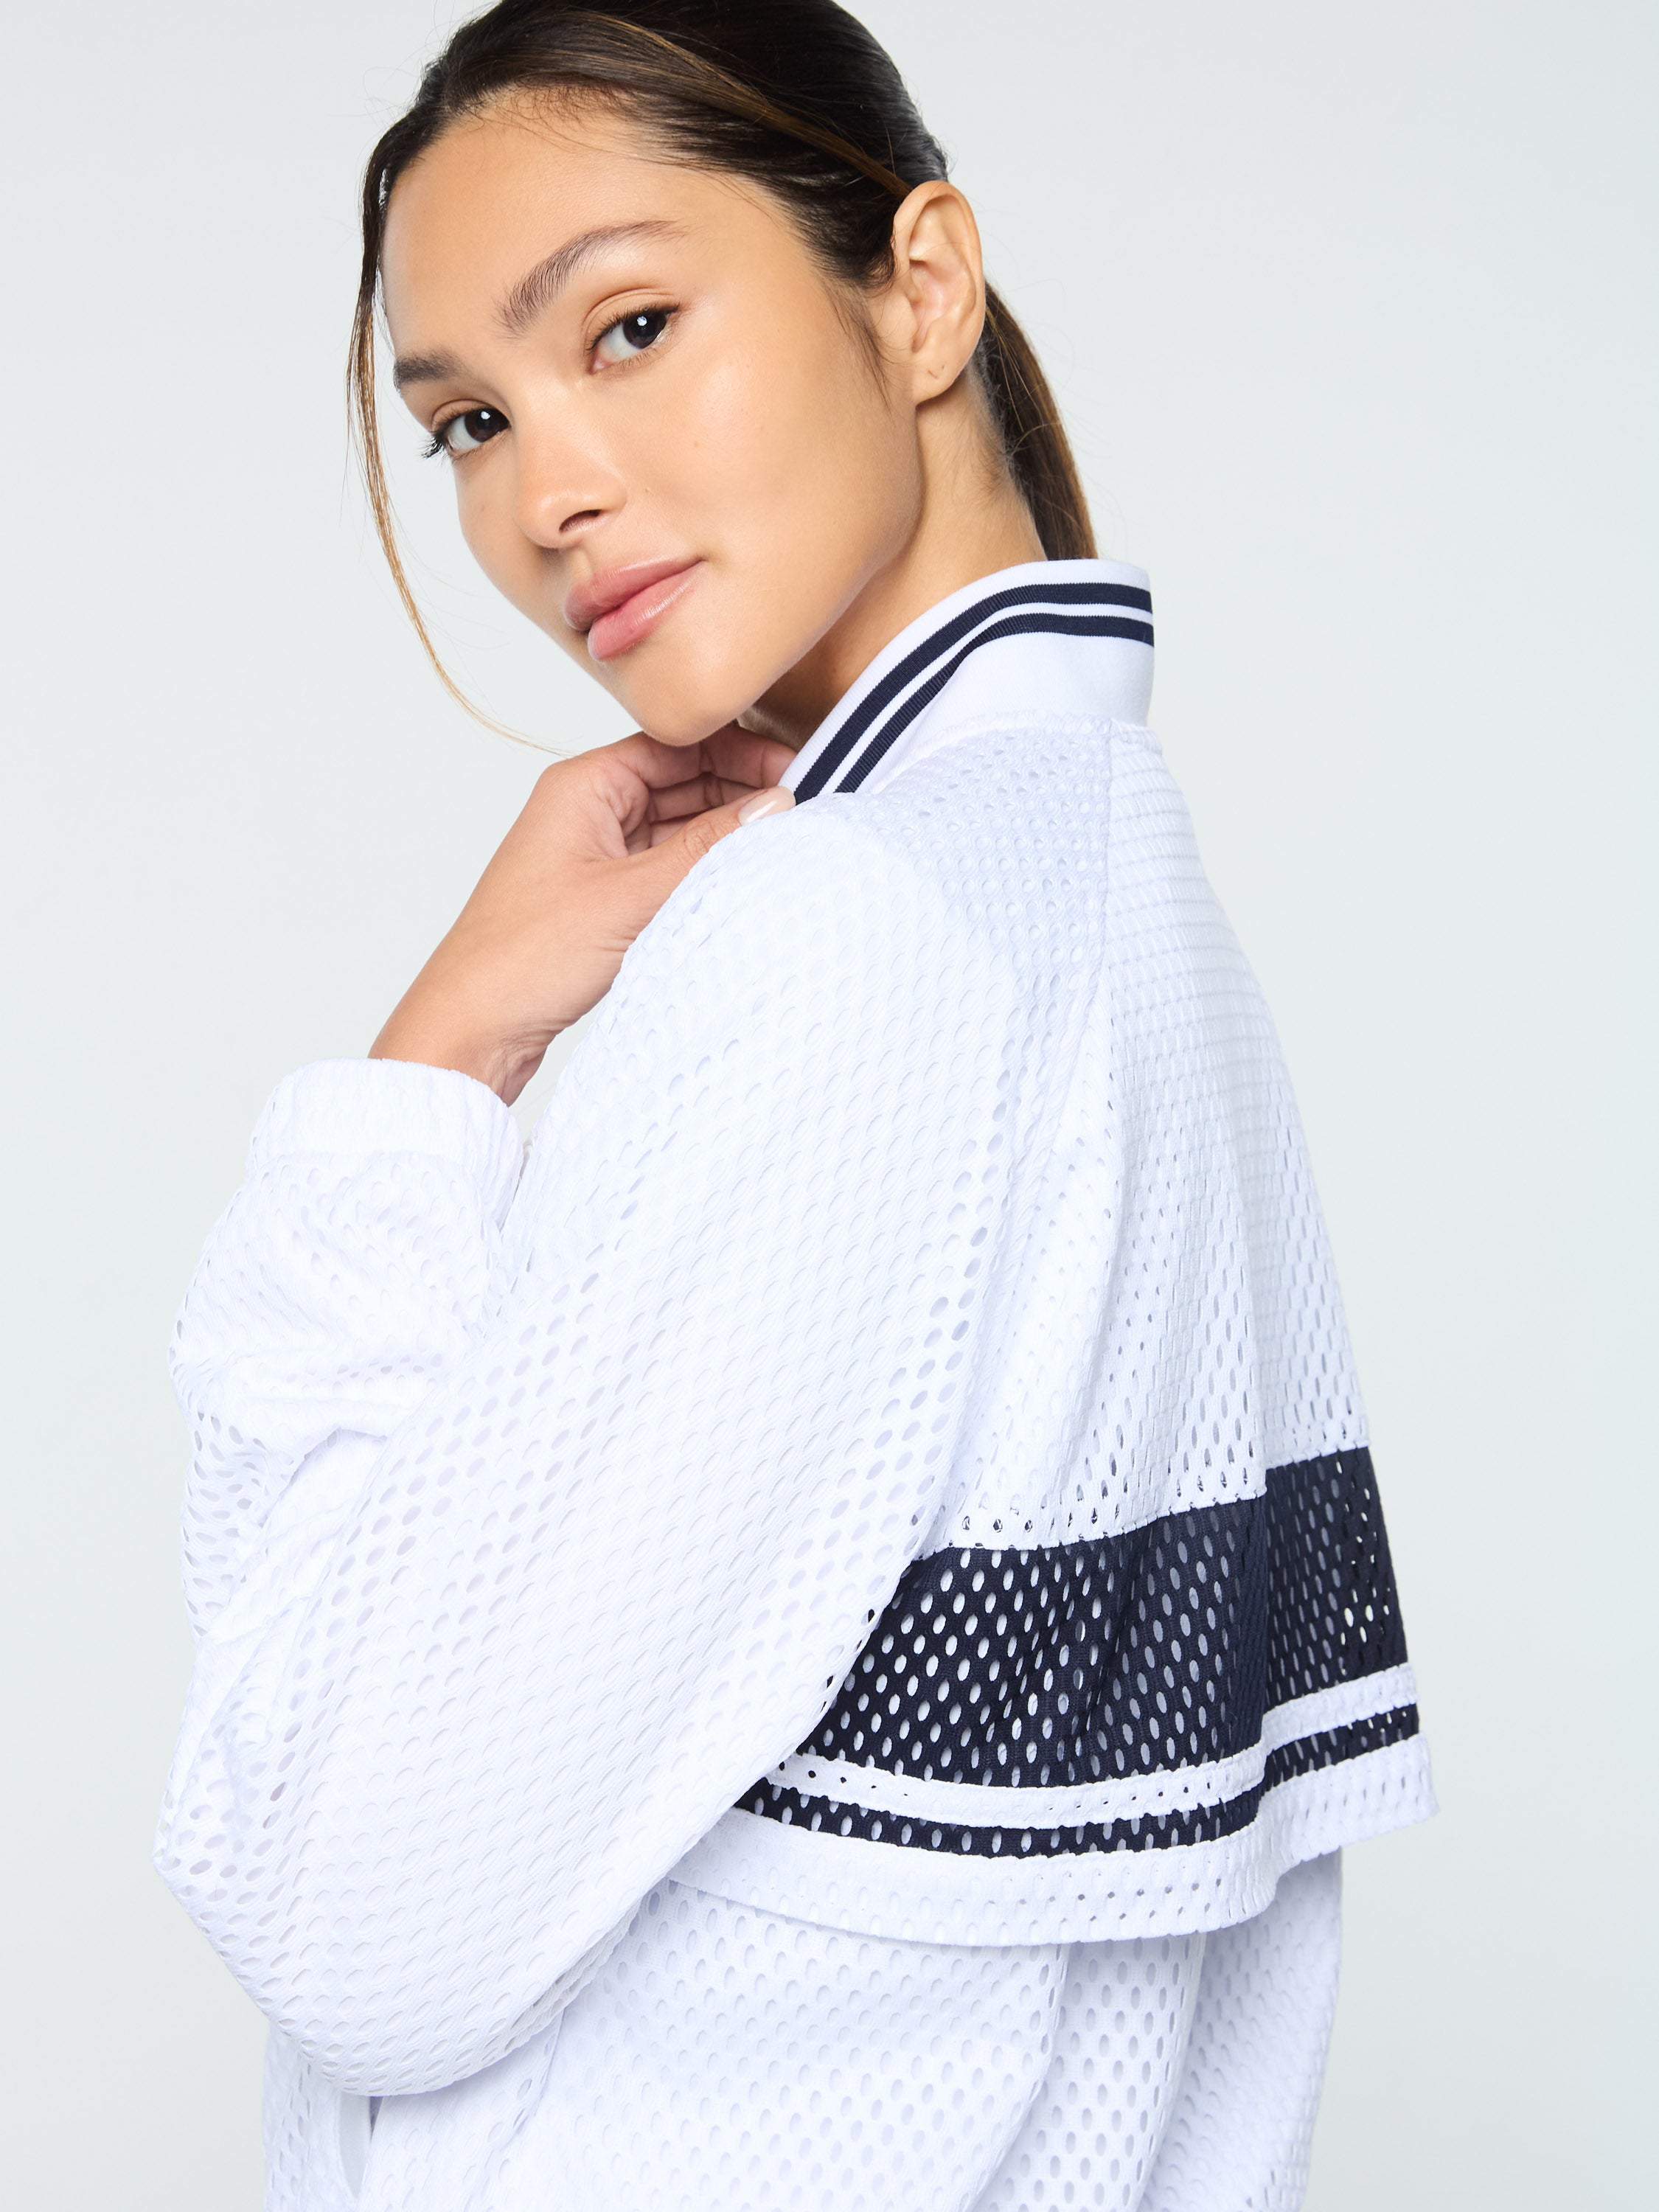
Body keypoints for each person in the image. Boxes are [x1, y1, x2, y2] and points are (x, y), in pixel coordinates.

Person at [156, 4, 1434, 2206]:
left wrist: (430, 1071)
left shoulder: (853, 943)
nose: (544, 493)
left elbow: (348, 1913)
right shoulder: (1107, 884)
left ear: (920, 288)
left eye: (629, 327)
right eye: (468, 420)